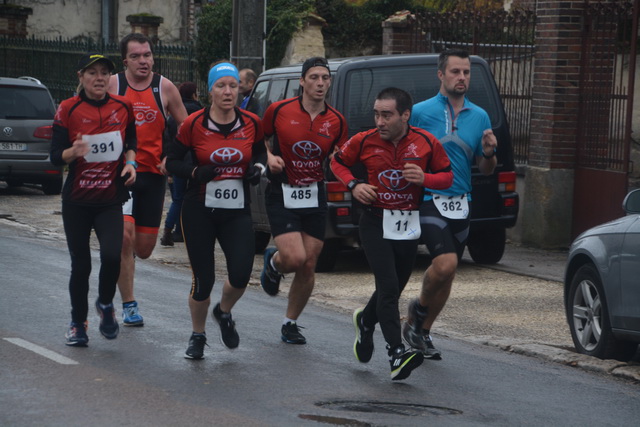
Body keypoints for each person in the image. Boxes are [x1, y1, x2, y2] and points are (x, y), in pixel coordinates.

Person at [331, 87, 452, 380]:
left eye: (387, 115)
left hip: (407, 224)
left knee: (394, 288)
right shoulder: (364, 140)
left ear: (405, 115)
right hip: (374, 222)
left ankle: (365, 320)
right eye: (377, 114)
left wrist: (425, 178)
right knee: (387, 287)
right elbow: (336, 161)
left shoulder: (425, 142)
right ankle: (396, 351)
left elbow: (447, 177)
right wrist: (353, 186)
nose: (380, 121)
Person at [166, 62, 266, 360]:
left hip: (236, 210)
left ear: (239, 89)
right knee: (203, 279)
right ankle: (198, 335)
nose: (227, 92)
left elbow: (259, 152)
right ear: (210, 90)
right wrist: (195, 172)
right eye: (221, 86)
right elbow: (171, 162)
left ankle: (223, 312)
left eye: (233, 86)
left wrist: (256, 170)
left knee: (241, 272)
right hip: (198, 209)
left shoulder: (251, 122)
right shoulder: (193, 124)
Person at [403, 48, 498, 360]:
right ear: (441, 75)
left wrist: (488, 153)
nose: (462, 77)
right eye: (456, 72)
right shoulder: (419, 112)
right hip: (429, 198)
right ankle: (417, 308)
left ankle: (422, 330)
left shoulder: (480, 115)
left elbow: (485, 169)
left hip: (462, 201)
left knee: (448, 275)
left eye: (466, 72)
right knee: (446, 264)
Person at [50, 53, 137, 346]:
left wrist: (131, 163)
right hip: (77, 200)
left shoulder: (123, 106)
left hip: (109, 198)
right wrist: (71, 153)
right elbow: (54, 155)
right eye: (92, 73)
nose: (99, 78)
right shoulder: (68, 109)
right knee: (82, 265)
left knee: (113, 255)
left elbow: (132, 142)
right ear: (81, 77)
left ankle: (104, 303)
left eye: (104, 73)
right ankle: (78, 323)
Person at [260, 57, 348, 344]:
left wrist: (338, 163)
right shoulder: (279, 110)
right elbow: (257, 139)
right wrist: (268, 157)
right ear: (302, 81)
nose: (320, 83)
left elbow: (339, 154)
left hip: (314, 192)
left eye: (325, 78)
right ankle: (274, 263)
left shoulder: (336, 120)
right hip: (281, 190)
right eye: (314, 77)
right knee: (295, 258)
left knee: (309, 263)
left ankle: (290, 323)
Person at [108, 33, 188, 326]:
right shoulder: (114, 84)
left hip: (153, 177)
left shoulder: (164, 87)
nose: (143, 61)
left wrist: (172, 157)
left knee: (143, 249)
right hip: (121, 177)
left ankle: (126, 276)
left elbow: (189, 129)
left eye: (147, 55)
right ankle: (129, 305)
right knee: (124, 240)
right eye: (136, 56)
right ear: (125, 60)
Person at [160, 82, 203, 246]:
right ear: (194, 94)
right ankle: (187, 230)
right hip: (194, 163)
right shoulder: (200, 113)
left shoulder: (173, 116)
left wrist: (169, 163)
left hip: (177, 163)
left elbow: (168, 140)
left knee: (177, 198)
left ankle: (168, 231)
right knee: (194, 198)